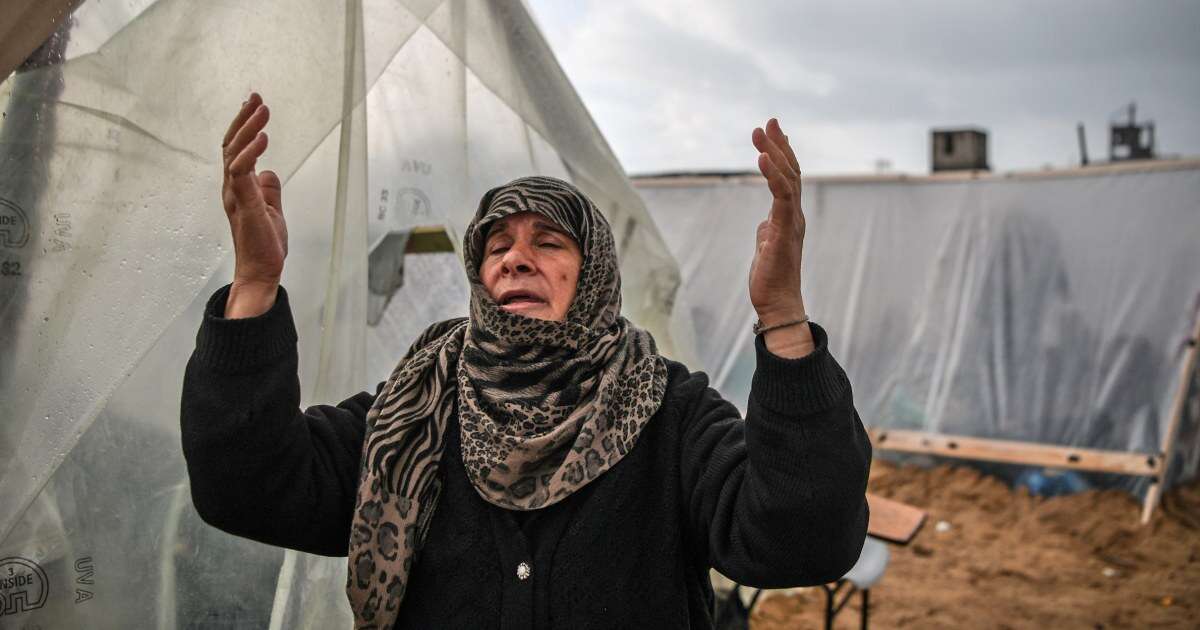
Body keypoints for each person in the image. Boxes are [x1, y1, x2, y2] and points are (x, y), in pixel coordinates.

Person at [181, 92, 871, 629]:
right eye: (496, 245)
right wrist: (254, 286)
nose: (516, 257)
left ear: (593, 271)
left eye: (549, 241)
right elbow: (249, 486)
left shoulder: (669, 412)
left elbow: (804, 537)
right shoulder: (416, 405)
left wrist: (782, 314)